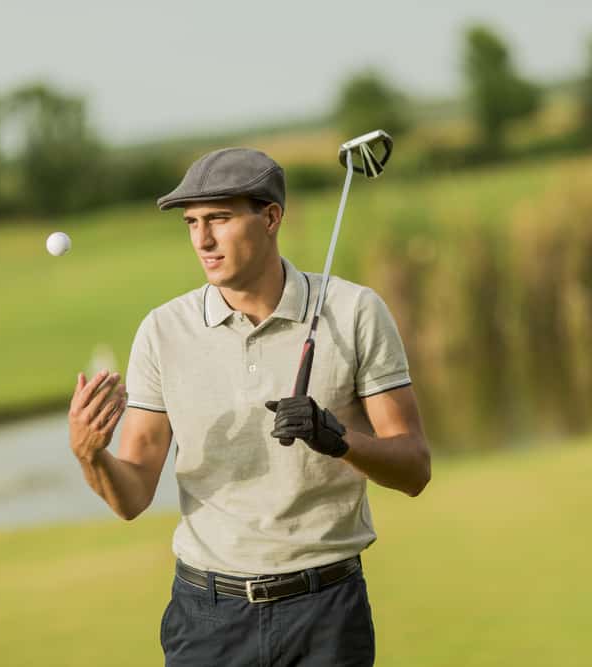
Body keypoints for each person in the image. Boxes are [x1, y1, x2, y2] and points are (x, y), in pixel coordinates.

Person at [67, 146, 431, 666]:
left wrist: (339, 439)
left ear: (271, 217)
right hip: (209, 619)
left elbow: (414, 468)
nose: (202, 239)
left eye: (219, 218)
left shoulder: (354, 312)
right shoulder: (163, 331)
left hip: (326, 612)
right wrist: (90, 455)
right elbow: (132, 498)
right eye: (192, 222)